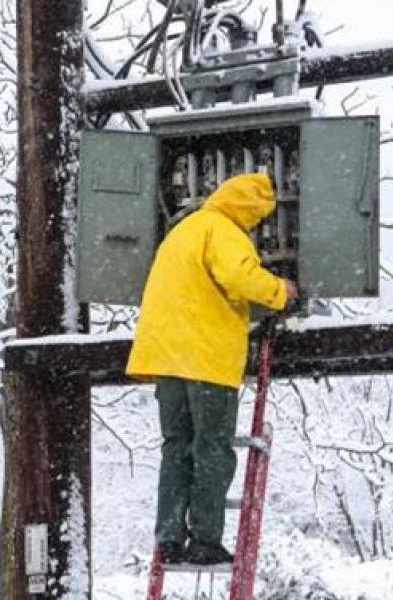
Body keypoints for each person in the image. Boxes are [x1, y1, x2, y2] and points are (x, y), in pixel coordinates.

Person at [126, 172, 298, 565]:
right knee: (212, 449)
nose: (257, 225)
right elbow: (239, 276)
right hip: (205, 359)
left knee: (177, 450)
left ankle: (168, 538)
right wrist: (279, 291)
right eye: (258, 216)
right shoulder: (224, 231)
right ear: (248, 210)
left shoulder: (182, 232)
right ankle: (205, 539)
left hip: (166, 360)